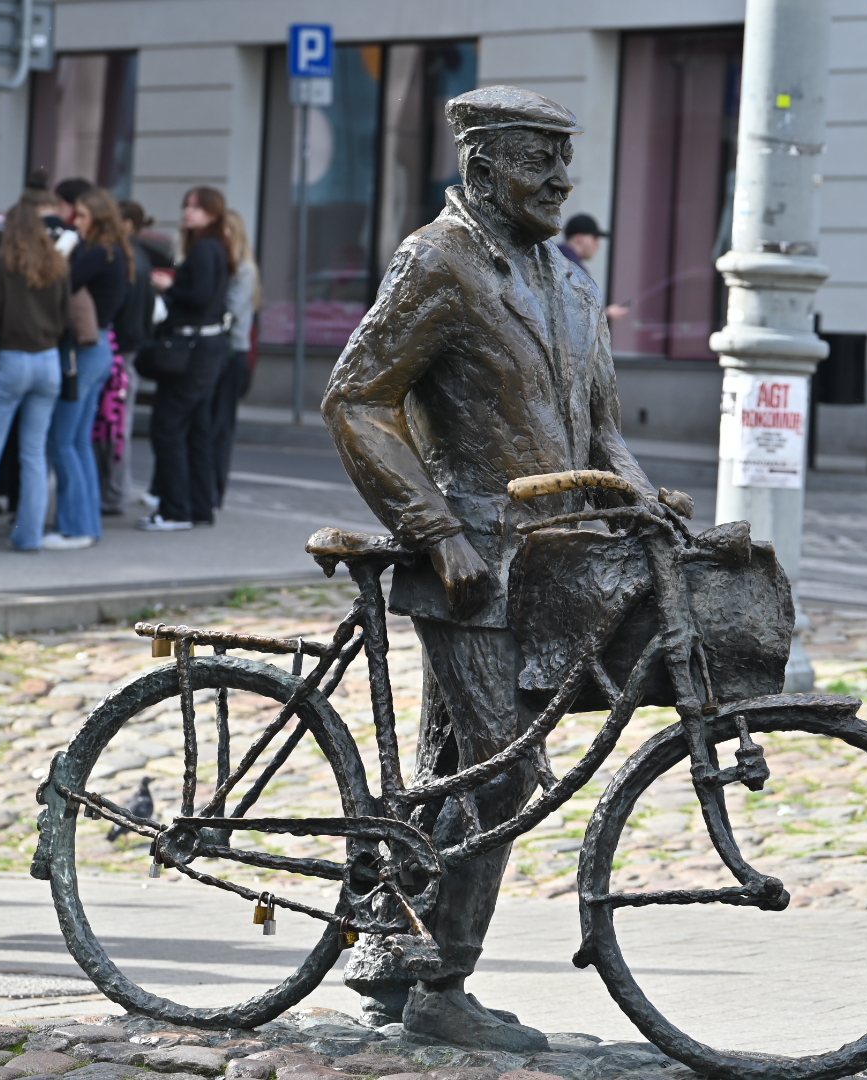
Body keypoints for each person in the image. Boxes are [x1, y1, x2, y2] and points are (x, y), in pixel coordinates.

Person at [324, 86, 658, 1050]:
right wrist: (435, 531)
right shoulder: (439, 261)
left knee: (449, 769)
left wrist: (641, 499)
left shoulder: (571, 279)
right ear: (480, 169)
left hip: (556, 567)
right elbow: (356, 401)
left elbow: (603, 431)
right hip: (469, 562)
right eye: (537, 159)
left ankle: (390, 950)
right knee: (505, 773)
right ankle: (442, 989)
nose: (561, 178)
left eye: (565, 158)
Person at [0, 202, 73, 552]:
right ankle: (29, 537)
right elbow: (65, 316)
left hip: (11, 357)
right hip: (48, 359)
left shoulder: (2, 263)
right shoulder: (57, 264)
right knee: (35, 454)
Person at [45, 187, 130, 550]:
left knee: (63, 441)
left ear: (96, 216)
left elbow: (60, 285)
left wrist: (61, 252)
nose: (74, 222)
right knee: (78, 441)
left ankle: (75, 527)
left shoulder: (98, 254)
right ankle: (87, 524)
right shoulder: (116, 253)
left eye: (80, 216)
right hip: (100, 349)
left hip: (84, 351)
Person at [140, 185, 230, 531]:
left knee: (169, 425)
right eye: (187, 206)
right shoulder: (214, 246)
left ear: (212, 213)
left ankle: (176, 509)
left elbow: (198, 296)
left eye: (197, 207)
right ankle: (198, 507)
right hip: (205, 348)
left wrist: (169, 287)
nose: (187, 212)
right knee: (196, 429)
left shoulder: (206, 248)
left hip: (193, 350)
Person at [97, 199, 157, 514]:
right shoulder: (139, 255)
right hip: (129, 348)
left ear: (127, 224)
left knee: (113, 425)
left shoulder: (125, 256)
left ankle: (114, 494)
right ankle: (114, 492)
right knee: (116, 425)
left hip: (120, 350)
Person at [214, 208, 260, 507]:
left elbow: (227, 310)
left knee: (220, 426)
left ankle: (214, 491)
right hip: (229, 352)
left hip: (233, 354)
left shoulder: (243, 270)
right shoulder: (235, 267)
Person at [555, 213, 627, 322]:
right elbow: (578, 318)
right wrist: (607, 315)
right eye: (595, 238)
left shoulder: (553, 255)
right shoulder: (575, 269)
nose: (598, 245)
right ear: (580, 238)